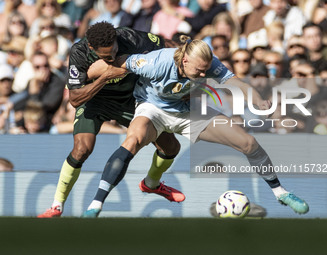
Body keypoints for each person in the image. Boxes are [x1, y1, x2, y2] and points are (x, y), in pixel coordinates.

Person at [83, 36, 309, 217]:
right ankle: (96, 205)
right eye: (200, 71)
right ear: (184, 61)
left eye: (206, 71)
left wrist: (257, 99)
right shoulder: (155, 62)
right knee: (132, 142)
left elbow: (236, 82)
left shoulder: (208, 64)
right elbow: (114, 64)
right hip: (152, 109)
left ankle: (281, 192)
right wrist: (85, 76)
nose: (204, 75)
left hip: (187, 111)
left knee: (248, 143)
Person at [37, 21, 182, 218]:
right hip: (95, 101)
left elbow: (164, 44)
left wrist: (186, 50)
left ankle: (152, 184)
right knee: (81, 149)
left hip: (131, 101)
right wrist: (105, 77)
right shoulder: (79, 52)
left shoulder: (130, 37)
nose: (113, 57)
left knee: (171, 147)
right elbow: (74, 99)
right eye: (106, 56)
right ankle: (56, 205)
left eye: (114, 51)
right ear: (91, 47)